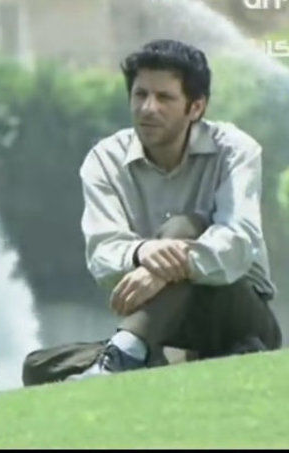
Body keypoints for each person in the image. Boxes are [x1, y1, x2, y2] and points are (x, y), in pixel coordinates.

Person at [74, 39, 281, 379]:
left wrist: (166, 266)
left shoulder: (235, 150)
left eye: (164, 98)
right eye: (140, 95)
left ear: (196, 107)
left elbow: (238, 243)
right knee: (37, 367)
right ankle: (140, 353)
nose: (148, 108)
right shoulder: (104, 160)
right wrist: (142, 251)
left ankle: (127, 353)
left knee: (184, 227)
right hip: (164, 326)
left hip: (237, 315)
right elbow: (102, 254)